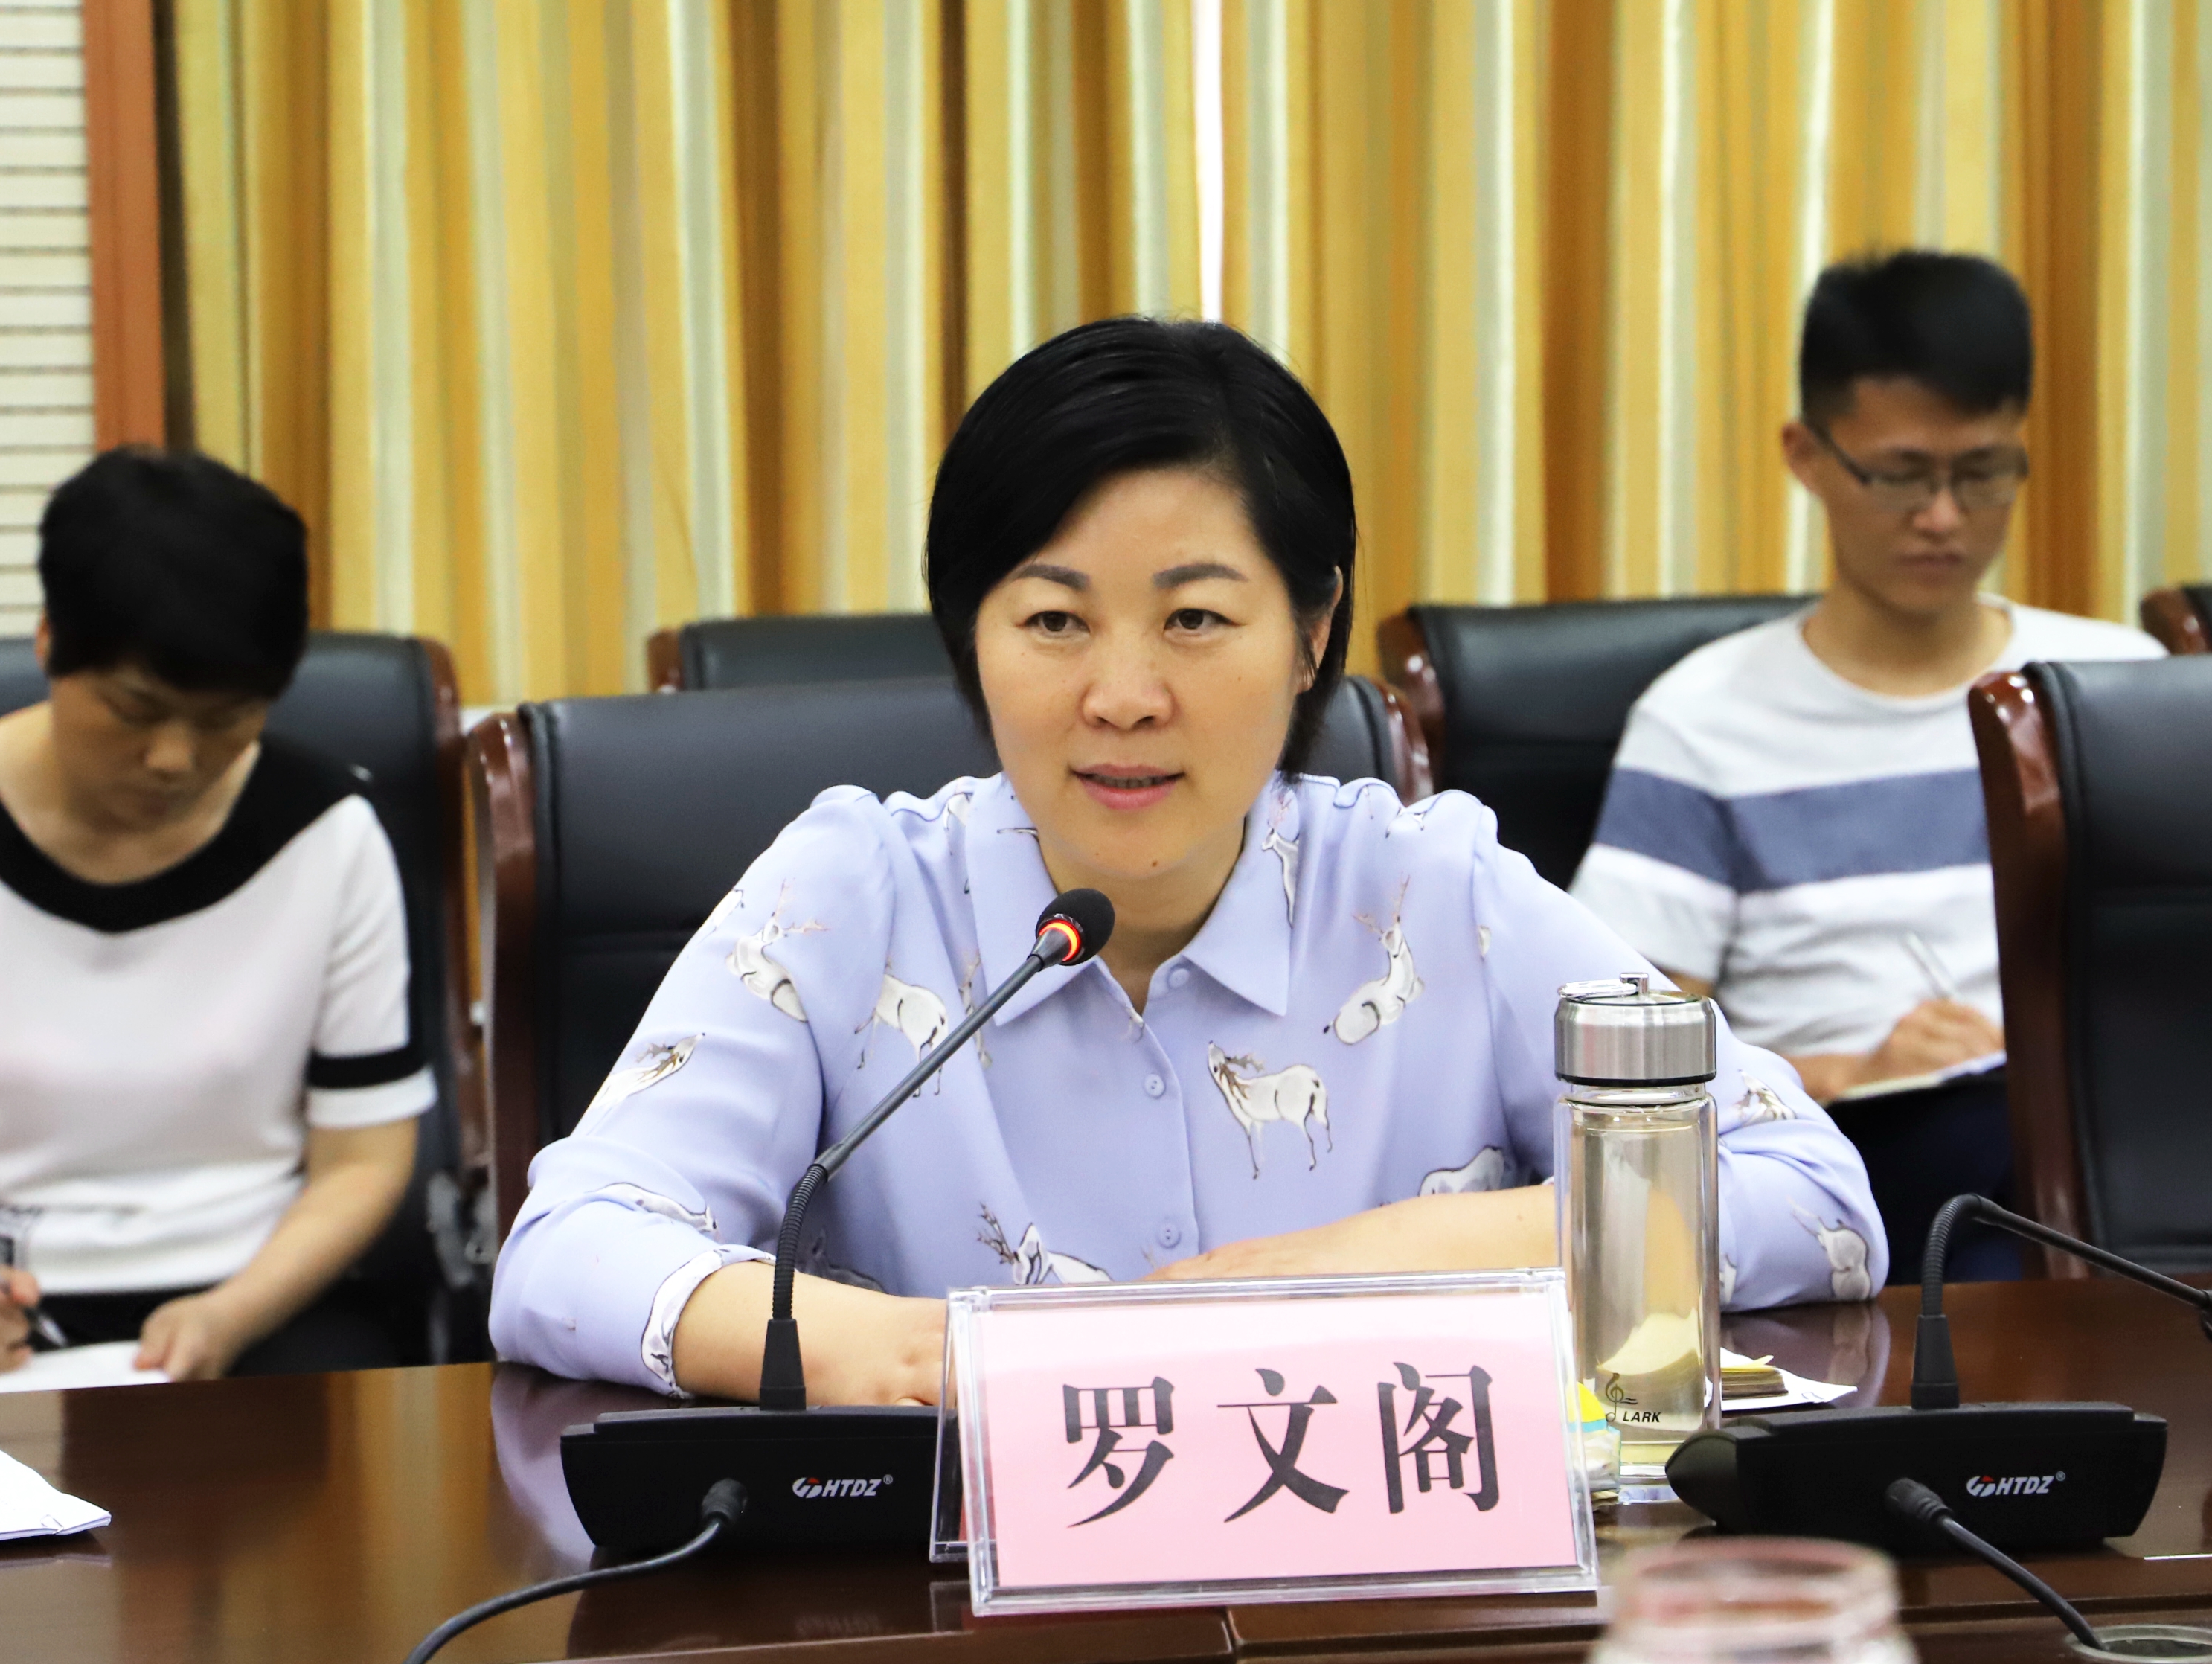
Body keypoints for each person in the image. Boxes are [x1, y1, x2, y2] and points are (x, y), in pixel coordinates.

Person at [490, 318, 1884, 1404]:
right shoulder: (853, 893)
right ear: (968, 635)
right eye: (1053, 621)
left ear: (1313, 633)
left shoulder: (1432, 892)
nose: (1122, 696)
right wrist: (905, 1354)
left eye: (1195, 620)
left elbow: (1809, 1195)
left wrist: (1345, 1266)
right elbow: (569, 1248)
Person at [1571, 252, 2162, 1283]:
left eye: (1982, 473)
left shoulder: (2116, 692)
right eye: (1900, 475)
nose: (1942, 516)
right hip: (1855, 1157)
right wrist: (1852, 1071)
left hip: (2120, 1149)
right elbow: (1618, 1072)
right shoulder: (1704, 721)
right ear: (1807, 455)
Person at [0, 449, 432, 1379]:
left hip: (262, 1301)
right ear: (49, 643)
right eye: (134, 710)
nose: (174, 759)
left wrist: (230, 1314)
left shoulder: (326, 834)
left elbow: (363, 1159)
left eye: (226, 718)